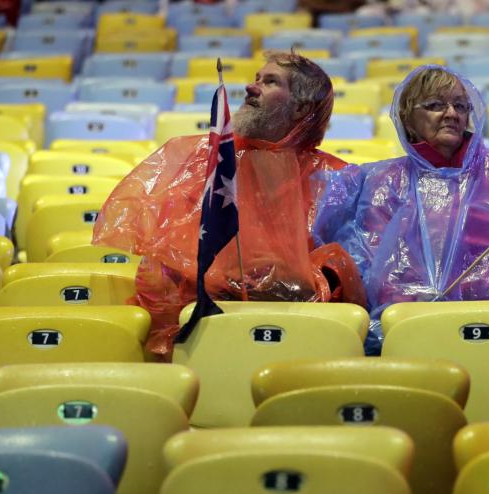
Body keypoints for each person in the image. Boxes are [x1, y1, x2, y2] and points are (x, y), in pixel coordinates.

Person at [93, 51, 365, 359]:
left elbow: (352, 271)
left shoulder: (335, 179)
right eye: (256, 79)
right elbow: (161, 272)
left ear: (301, 107)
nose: (251, 87)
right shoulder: (200, 161)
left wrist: (302, 280)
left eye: (270, 81)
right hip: (205, 329)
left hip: (302, 332)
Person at [312, 65, 489, 354]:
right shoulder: (379, 183)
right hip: (410, 330)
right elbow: (369, 272)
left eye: (460, 105)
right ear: (407, 117)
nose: (451, 114)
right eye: (435, 105)